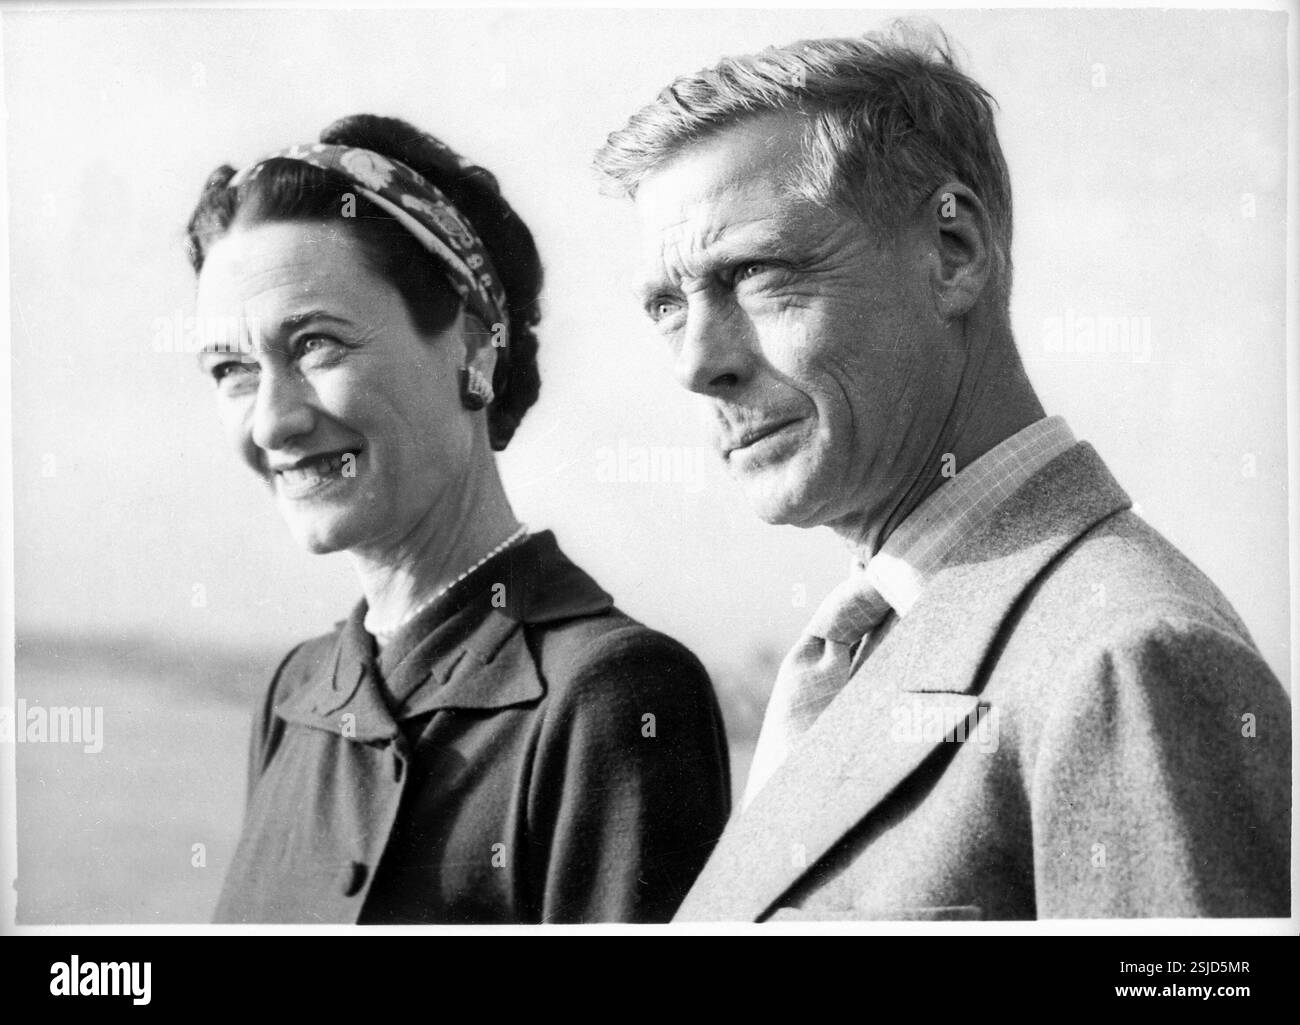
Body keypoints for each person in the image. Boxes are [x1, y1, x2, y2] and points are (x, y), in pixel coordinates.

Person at [594, 24, 1290, 920]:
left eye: (756, 272)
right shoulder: (872, 645)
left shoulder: (1124, 659)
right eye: (666, 304)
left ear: (952, 253)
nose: (697, 363)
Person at [187, 114, 730, 923]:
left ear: (474, 351)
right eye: (233, 368)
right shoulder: (296, 692)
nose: (272, 421)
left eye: (316, 344)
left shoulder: (611, 696)